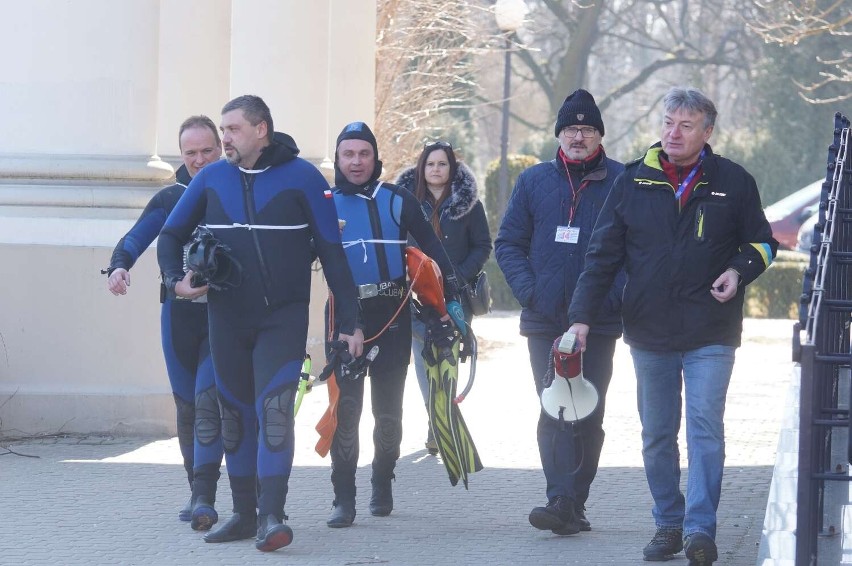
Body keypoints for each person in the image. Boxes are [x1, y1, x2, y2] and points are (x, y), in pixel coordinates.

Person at [566, 86, 777, 565]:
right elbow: (602, 255)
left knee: (705, 429)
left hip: (711, 332)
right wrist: (580, 318)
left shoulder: (734, 181)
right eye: (667, 122)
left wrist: (739, 270)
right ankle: (668, 523)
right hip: (648, 332)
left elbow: (764, 243)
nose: (672, 132)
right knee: (657, 434)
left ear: (707, 132)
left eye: (685, 125)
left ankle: (701, 529)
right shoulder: (633, 180)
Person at [158, 95, 363, 552]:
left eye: (231, 129)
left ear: (261, 130)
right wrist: (176, 283)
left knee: (273, 412)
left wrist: (350, 322)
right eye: (223, 129)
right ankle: (244, 512)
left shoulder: (304, 179)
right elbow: (170, 236)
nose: (223, 138)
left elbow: (333, 253)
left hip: (281, 318)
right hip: (226, 319)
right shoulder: (212, 178)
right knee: (235, 416)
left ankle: (272, 515)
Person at [495, 89, 625, 537]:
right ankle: (560, 498)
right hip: (544, 320)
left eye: (587, 129)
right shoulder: (533, 182)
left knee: (587, 410)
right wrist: (531, 293)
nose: (578, 136)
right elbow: (508, 243)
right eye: (571, 128)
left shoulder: (621, 182)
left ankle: (573, 499)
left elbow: (634, 252)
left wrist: (607, 301)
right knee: (554, 406)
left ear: (599, 135)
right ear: (559, 133)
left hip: (600, 322)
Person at [326, 122, 462, 528]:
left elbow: (435, 253)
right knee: (346, 412)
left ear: (374, 158)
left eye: (363, 154)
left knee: (388, 415)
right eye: (348, 154)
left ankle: (382, 483)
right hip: (345, 315)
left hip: (393, 313)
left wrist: (449, 305)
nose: (355, 162)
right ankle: (343, 498)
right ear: (337, 158)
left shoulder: (398, 199)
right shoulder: (323, 202)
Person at [104, 115, 224, 528]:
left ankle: (207, 494)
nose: (200, 159)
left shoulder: (234, 192)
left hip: (223, 318)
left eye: (208, 150)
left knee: (210, 402)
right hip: (178, 318)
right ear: (181, 155)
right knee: (187, 405)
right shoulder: (171, 197)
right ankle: (196, 492)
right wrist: (120, 267)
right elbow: (136, 238)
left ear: (221, 149)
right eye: (191, 152)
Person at [395, 141, 491, 453]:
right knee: (424, 358)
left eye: (442, 164)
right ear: (421, 168)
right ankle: (437, 421)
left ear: (452, 169)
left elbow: (482, 245)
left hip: (456, 296)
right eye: (430, 164)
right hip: (417, 295)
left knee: (447, 357)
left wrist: (458, 274)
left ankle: (443, 419)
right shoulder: (405, 203)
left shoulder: (469, 204)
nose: (436, 169)